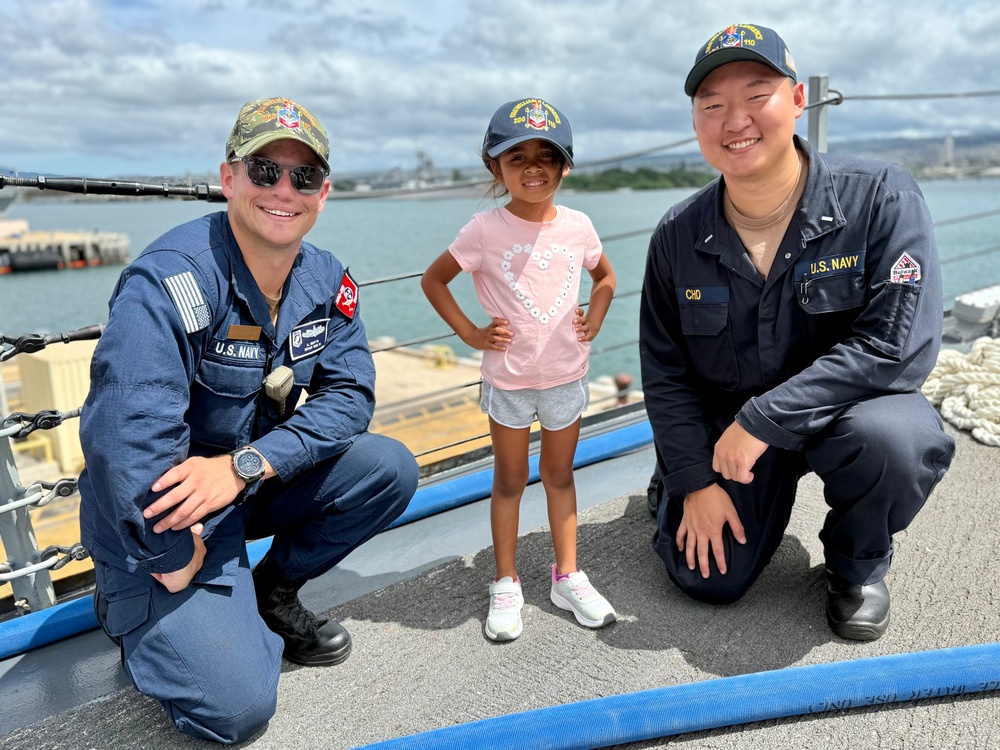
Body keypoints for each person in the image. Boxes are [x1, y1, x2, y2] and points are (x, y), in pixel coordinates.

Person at [78, 97, 419, 743]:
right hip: (165, 510)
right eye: (264, 171)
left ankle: (270, 594)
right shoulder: (173, 280)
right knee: (235, 711)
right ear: (228, 177)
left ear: (324, 191)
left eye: (304, 176)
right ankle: (133, 601)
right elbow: (126, 434)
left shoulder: (326, 278)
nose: (284, 190)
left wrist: (247, 466)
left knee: (388, 469)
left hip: (242, 482)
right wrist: (168, 552)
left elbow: (351, 398)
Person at [639, 25, 955, 642]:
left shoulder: (880, 198)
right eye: (713, 106)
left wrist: (764, 418)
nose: (736, 121)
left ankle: (856, 563)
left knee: (897, 441)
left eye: (757, 95)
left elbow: (900, 348)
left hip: (842, 413)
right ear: (696, 121)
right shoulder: (677, 236)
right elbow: (665, 371)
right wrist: (693, 479)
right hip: (728, 425)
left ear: (797, 100)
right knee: (708, 579)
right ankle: (670, 484)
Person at [421, 98, 618, 641]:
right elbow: (434, 280)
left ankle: (567, 574)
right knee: (509, 480)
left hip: (565, 376)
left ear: (565, 165)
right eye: (517, 157)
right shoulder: (484, 229)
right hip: (508, 380)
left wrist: (595, 317)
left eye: (547, 156)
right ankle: (505, 580)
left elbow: (605, 278)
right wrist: (470, 334)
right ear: (495, 167)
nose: (533, 168)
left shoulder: (578, 226)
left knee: (559, 475)